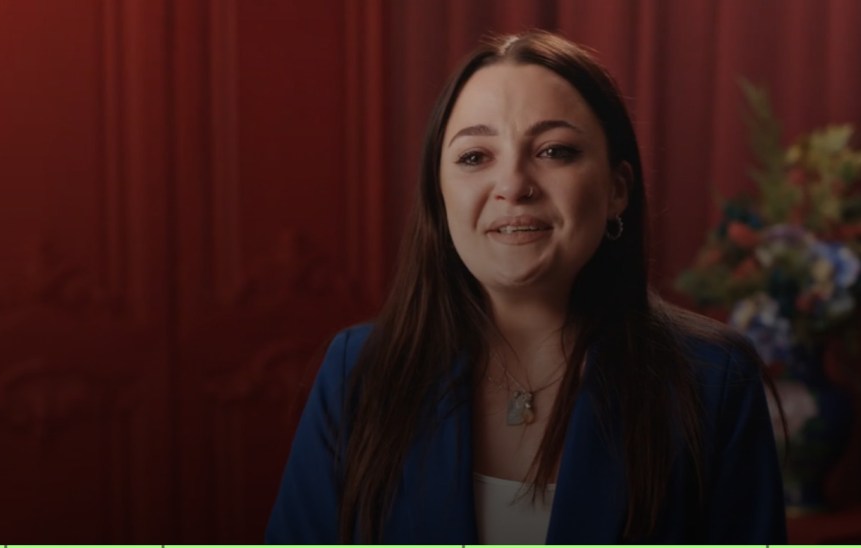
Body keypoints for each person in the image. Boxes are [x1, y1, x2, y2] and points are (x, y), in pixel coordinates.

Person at [266, 30, 786, 544]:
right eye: (474, 157)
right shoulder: (361, 373)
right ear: (438, 195)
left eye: (555, 151)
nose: (513, 185)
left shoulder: (711, 381)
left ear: (617, 189)